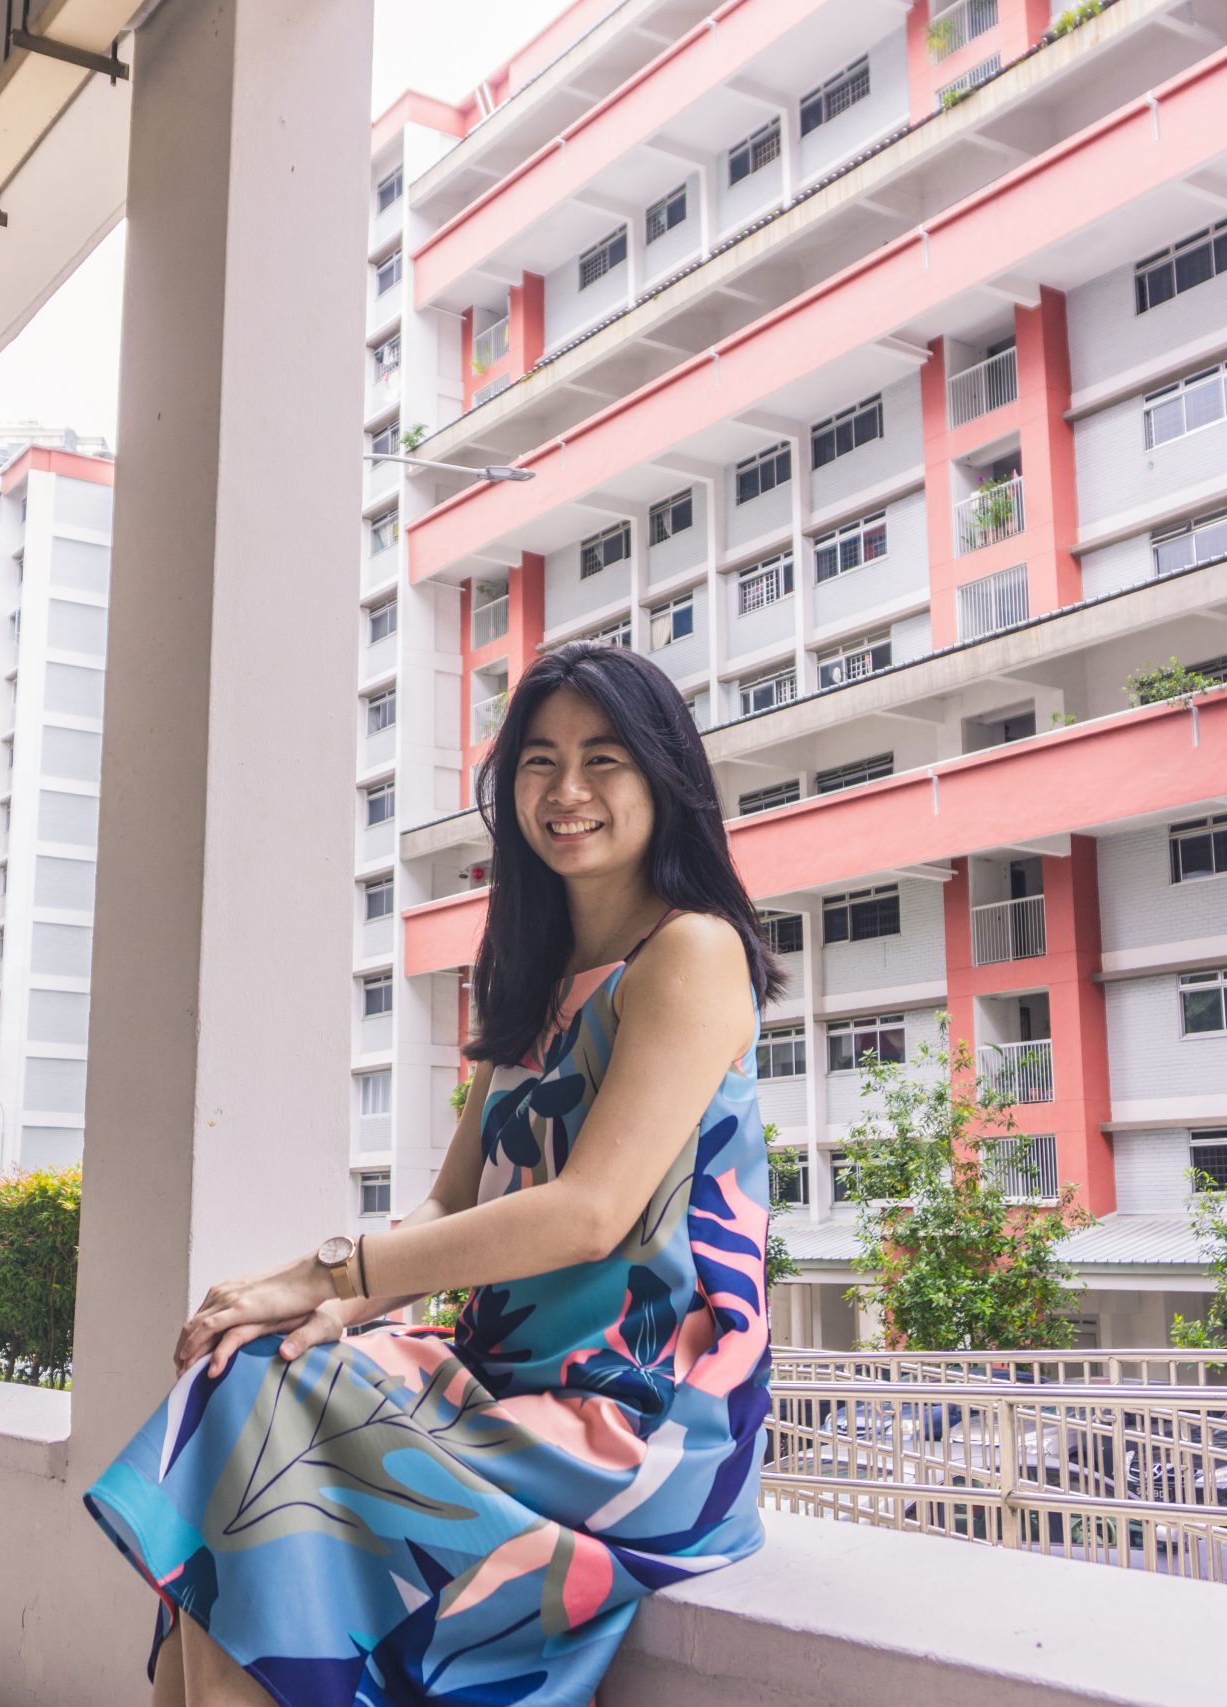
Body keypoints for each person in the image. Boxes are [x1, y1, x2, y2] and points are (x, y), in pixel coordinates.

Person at [84, 642, 787, 1705]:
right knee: (248, 1372)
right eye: (539, 763)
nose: (568, 791)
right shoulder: (533, 979)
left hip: (633, 1416)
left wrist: (324, 1275)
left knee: (267, 1435)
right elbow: (455, 1202)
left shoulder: (691, 952)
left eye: (604, 760)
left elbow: (589, 1215)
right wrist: (329, 1301)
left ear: (665, 779)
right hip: (504, 1377)